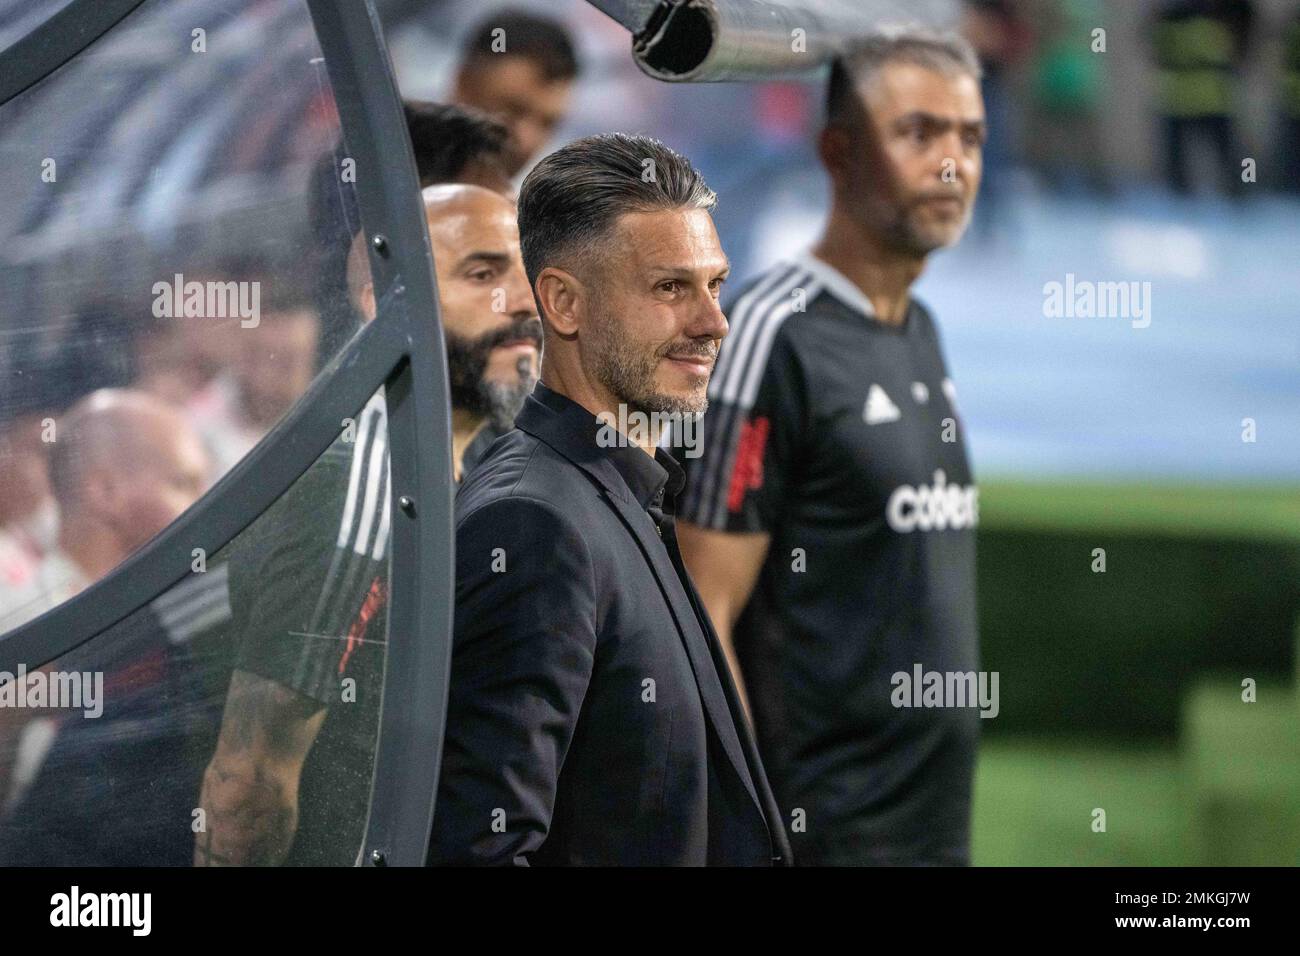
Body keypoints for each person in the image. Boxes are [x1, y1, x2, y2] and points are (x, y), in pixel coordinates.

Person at [427, 133, 789, 866]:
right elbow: (478, 850)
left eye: (715, 285)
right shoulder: (533, 524)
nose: (714, 322)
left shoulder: (618, 495)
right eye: (670, 288)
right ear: (561, 302)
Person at [676, 26, 986, 866]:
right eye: (918, 133)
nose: (952, 164)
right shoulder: (773, 335)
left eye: (970, 137)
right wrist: (753, 833)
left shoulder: (918, 327)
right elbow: (703, 613)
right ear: (838, 151)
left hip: (931, 824)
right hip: (820, 833)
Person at [194, 183, 540, 866]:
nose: (523, 302)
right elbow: (247, 781)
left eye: (526, 272)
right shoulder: (363, 479)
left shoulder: (457, 461)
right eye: (482, 275)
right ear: (382, 303)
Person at [450, 7, 580, 180]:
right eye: (513, 111)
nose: (526, 142)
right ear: (464, 84)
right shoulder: (402, 172)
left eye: (547, 124)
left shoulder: (532, 203)